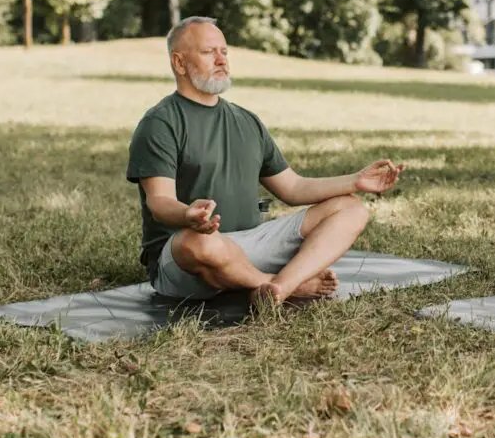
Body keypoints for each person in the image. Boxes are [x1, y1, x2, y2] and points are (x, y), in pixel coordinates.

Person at [127, 16, 404, 306]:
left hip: (249, 244)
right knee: (196, 243)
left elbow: (293, 188)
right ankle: (288, 284)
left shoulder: (246, 121)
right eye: (209, 52)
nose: (221, 60)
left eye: (224, 51)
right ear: (179, 63)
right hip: (188, 256)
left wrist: (354, 181)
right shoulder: (160, 122)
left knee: (351, 209)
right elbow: (159, 202)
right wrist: (188, 215)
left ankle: (278, 287)